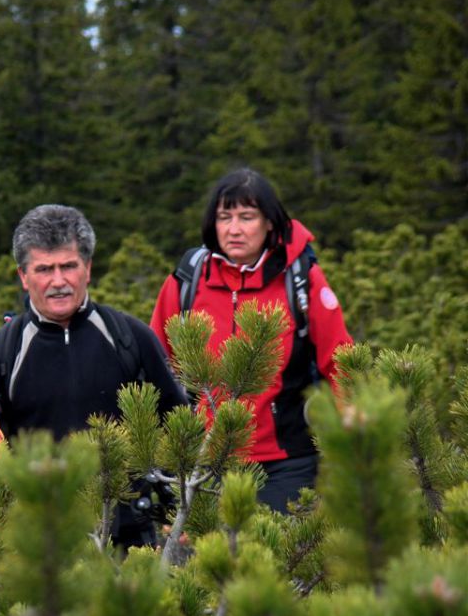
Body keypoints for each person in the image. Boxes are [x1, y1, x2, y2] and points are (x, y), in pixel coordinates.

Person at [0, 204, 188, 548]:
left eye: (69, 266)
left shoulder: (130, 337)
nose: (58, 281)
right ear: (23, 276)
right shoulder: (1, 353)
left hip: (130, 536)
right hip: (40, 541)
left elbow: (177, 424)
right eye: (44, 269)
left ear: (88, 269)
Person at [150, 168, 352, 513]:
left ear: (270, 222)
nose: (234, 229)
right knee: (205, 564)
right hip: (203, 461)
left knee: (278, 561)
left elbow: (341, 362)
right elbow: (155, 361)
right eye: (224, 217)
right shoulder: (188, 278)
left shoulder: (301, 278)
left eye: (247, 217)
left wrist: (353, 442)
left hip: (285, 462)